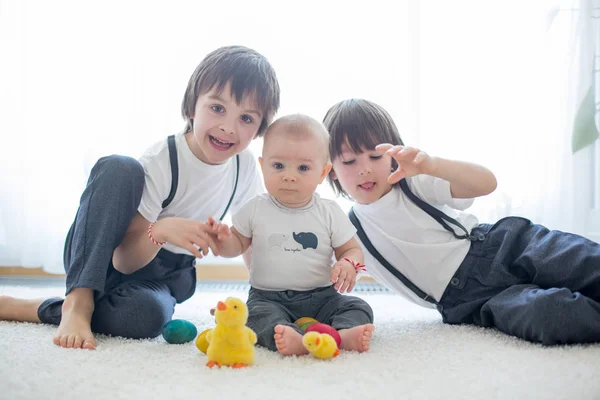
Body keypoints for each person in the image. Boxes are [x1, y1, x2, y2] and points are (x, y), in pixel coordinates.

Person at [0, 45, 280, 349]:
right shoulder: (163, 160)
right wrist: (160, 231)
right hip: (104, 254)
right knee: (119, 167)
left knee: (145, 317)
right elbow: (124, 261)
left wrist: (269, 301)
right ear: (192, 107)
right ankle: (78, 300)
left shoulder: (244, 167)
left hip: (163, 276)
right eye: (217, 108)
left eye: (247, 118)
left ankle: (38, 308)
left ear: (260, 128)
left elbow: (251, 242)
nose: (228, 127)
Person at [323, 98, 600, 346]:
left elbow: (486, 183)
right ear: (330, 170)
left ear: (394, 154)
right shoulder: (348, 233)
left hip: (498, 246)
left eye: (375, 155)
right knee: (553, 315)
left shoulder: (413, 183)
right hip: (469, 300)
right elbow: (314, 271)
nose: (365, 168)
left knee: (580, 260)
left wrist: (431, 165)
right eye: (349, 161)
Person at [207, 114, 375, 356]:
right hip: (267, 298)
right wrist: (221, 241)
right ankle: (291, 337)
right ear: (262, 165)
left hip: (323, 296)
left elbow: (351, 248)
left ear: (322, 173)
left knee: (358, 307)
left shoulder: (328, 211)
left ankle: (341, 333)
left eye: (303, 168)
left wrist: (348, 263)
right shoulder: (255, 208)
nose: (289, 175)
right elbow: (237, 244)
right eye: (278, 166)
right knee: (256, 317)